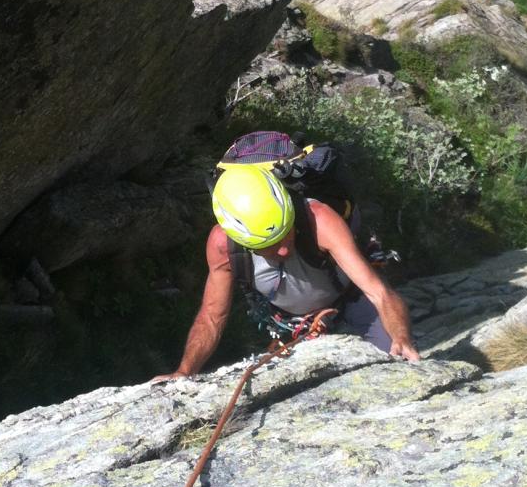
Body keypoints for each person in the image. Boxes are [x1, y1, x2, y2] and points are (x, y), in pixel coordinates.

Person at [154, 163, 420, 382]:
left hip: (350, 298)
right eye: (267, 247)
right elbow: (212, 316)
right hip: (291, 324)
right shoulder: (223, 246)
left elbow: (379, 292)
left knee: (396, 364)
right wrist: (184, 372)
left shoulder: (319, 219)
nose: (282, 251)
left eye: (286, 235)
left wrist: (401, 338)